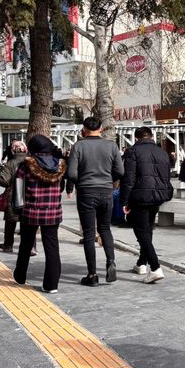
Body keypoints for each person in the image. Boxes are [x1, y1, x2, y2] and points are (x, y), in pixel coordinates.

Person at [66, 116, 125, 287]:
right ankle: (110, 261)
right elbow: (120, 171)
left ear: (83, 130)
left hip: (86, 192)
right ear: (101, 129)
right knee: (105, 229)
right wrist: (108, 180)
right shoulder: (111, 146)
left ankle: (92, 275)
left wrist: (78, 183)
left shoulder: (78, 146)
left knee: (89, 233)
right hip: (106, 191)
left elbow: (71, 174)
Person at [12, 135, 66, 294]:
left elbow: (19, 190)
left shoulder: (25, 166)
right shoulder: (60, 165)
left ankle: (20, 276)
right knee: (52, 246)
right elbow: (61, 188)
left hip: (31, 211)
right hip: (53, 211)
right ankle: (51, 284)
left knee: (26, 244)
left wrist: (18, 209)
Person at [119, 127, 173, 284]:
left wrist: (124, 201)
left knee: (141, 231)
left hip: (140, 196)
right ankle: (141, 264)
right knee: (148, 229)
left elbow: (128, 179)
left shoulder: (132, 151)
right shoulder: (162, 152)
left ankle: (155, 268)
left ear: (136, 138)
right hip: (158, 195)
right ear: (151, 136)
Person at [0, 141, 28, 253]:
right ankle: (30, 248)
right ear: (25, 150)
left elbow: (4, 181)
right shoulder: (31, 162)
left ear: (13, 151)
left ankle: (8, 245)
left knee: (10, 223)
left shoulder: (10, 163)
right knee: (29, 223)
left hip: (13, 196)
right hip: (29, 196)